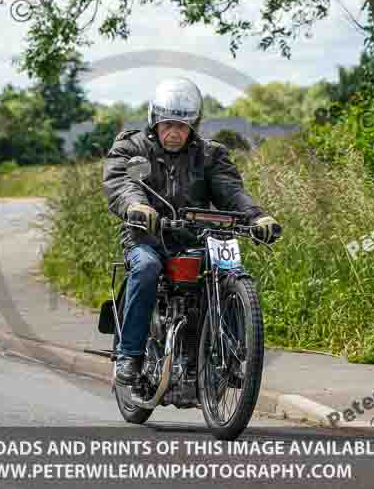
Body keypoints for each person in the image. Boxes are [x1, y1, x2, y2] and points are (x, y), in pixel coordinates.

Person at [102, 77, 282, 386]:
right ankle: (130, 356)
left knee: (230, 270)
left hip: (197, 237)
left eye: (182, 126)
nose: (174, 133)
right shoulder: (132, 147)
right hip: (147, 237)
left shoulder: (210, 154)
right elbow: (121, 182)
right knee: (145, 268)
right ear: (155, 120)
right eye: (168, 124)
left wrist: (257, 217)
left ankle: (232, 356)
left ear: (193, 126)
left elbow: (231, 191)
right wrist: (136, 206)